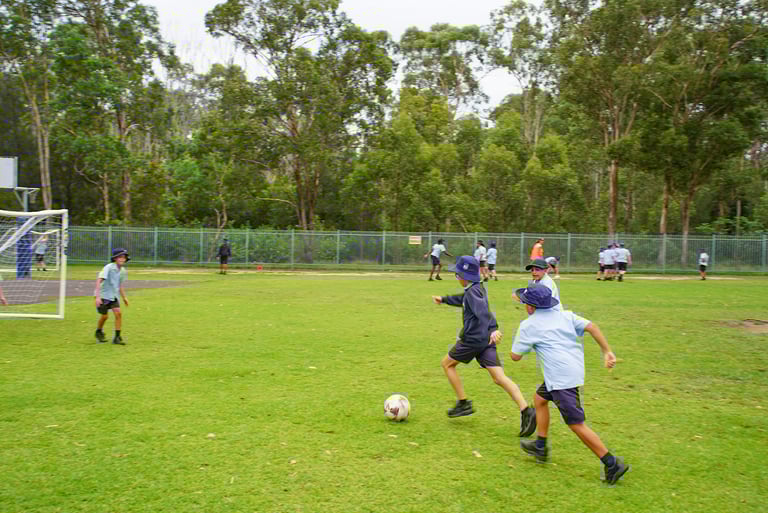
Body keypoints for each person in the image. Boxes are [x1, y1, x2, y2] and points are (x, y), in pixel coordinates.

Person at [509, 284, 630, 485]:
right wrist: (607, 351)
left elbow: (514, 357)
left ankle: (611, 463)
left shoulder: (528, 325)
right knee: (539, 399)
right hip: (571, 370)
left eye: (524, 302)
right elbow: (592, 326)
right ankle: (540, 445)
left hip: (560, 379)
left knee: (575, 423)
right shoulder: (565, 315)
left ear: (530, 307)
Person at [431, 255, 536, 436]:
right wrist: (445, 299)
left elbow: (483, 313)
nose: (456, 277)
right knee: (499, 377)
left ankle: (463, 403)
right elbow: (464, 301)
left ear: (465, 276)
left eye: (458, 274)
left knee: (447, 364)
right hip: (485, 342)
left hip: (472, 340)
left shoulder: (472, 292)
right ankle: (526, 410)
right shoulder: (476, 288)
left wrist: (494, 328)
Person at [94, 248, 130, 345]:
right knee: (105, 316)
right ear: (115, 258)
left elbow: (119, 285)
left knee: (118, 313)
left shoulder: (122, 271)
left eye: (124, 257)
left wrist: (124, 297)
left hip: (113, 296)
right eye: (120, 257)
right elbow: (99, 280)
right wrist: (97, 297)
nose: (122, 259)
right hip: (103, 295)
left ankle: (117, 337)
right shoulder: (109, 267)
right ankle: (99, 331)